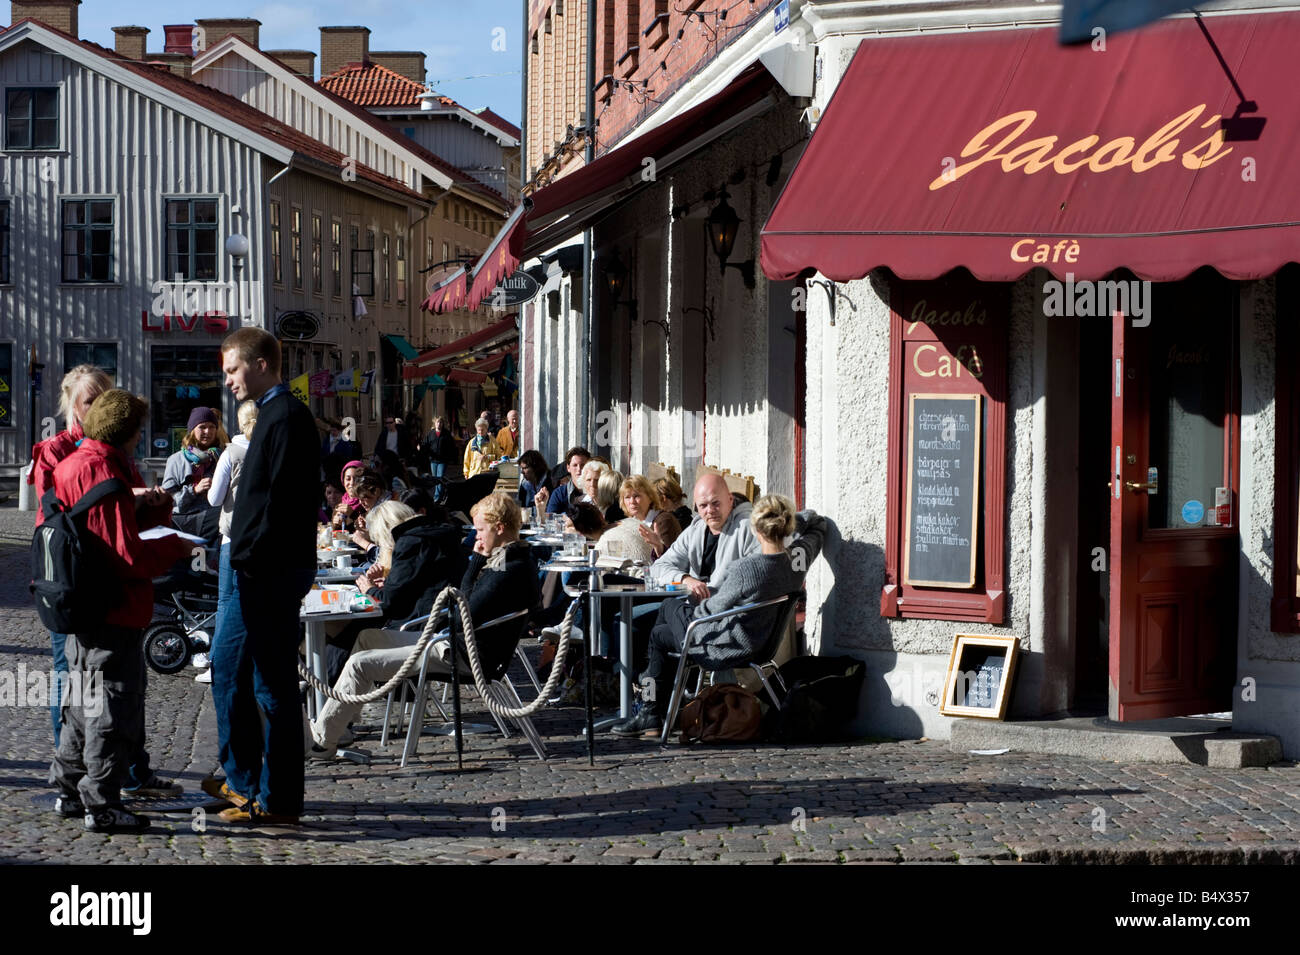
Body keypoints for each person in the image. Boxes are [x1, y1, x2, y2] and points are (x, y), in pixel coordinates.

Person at [32, 367, 183, 798]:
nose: (99, 408)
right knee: (93, 694)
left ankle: (96, 778)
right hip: (87, 589)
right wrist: (171, 543)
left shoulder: (111, 454)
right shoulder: (69, 455)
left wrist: (147, 505)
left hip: (102, 588)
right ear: (72, 406)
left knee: (99, 695)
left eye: (104, 398)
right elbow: (77, 526)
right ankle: (97, 791)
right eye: (90, 401)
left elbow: (119, 516)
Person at [309, 492, 539, 757]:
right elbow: (464, 603)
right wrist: (476, 563)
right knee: (367, 639)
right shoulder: (508, 559)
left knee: (361, 663)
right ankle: (341, 724)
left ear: (499, 529)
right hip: (453, 642)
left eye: (480, 530)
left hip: (461, 652)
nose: (476, 536)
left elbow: (462, 613)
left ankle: (322, 741)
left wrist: (475, 566)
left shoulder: (507, 568)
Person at [210, 327, 319, 825]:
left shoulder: (286, 416)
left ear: (259, 364)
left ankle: (269, 796)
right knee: (242, 672)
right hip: (262, 568)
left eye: (233, 369)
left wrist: (248, 555)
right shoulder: (278, 415)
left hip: (267, 571)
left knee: (262, 682)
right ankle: (253, 786)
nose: (228, 380)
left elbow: (279, 504)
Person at [613, 495, 826, 738]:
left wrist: (692, 606)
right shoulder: (798, 560)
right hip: (764, 645)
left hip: (728, 646)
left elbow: (710, 610)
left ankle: (651, 708)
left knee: (668, 609)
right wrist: (795, 521)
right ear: (786, 526)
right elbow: (818, 524)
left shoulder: (747, 569)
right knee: (661, 634)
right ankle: (656, 707)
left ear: (755, 528)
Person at [322, 499, 467, 691]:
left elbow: (390, 604)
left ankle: (326, 689)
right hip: (436, 619)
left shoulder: (410, 542)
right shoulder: (435, 536)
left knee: (351, 630)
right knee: (347, 629)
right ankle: (331, 692)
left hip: (420, 626)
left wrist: (369, 590)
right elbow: (416, 585)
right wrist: (383, 586)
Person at [199, 399, 258, 685]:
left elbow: (213, 499)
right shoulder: (269, 450)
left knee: (226, 600)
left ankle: (219, 663)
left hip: (233, 537)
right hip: (264, 539)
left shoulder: (232, 453)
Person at [161, 407, 227, 540]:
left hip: (215, 527)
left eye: (212, 427)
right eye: (202, 427)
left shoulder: (222, 457)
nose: (207, 432)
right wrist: (195, 490)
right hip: (186, 523)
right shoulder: (176, 460)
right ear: (192, 430)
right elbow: (168, 501)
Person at [620, 474, 681, 559]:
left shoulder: (664, 521)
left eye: (636, 496)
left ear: (650, 497)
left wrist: (658, 546)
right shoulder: (631, 523)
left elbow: (669, 560)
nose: (632, 501)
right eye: (627, 497)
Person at [539, 446, 590, 514]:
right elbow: (550, 521)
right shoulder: (559, 494)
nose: (579, 469)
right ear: (568, 468)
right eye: (575, 465)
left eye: (583, 465)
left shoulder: (596, 491)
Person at [320, 418, 359, 485]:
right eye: (331, 430)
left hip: (340, 469)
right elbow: (323, 452)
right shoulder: (327, 440)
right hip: (328, 469)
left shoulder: (344, 440)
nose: (332, 433)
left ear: (339, 430)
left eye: (334, 430)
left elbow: (348, 455)